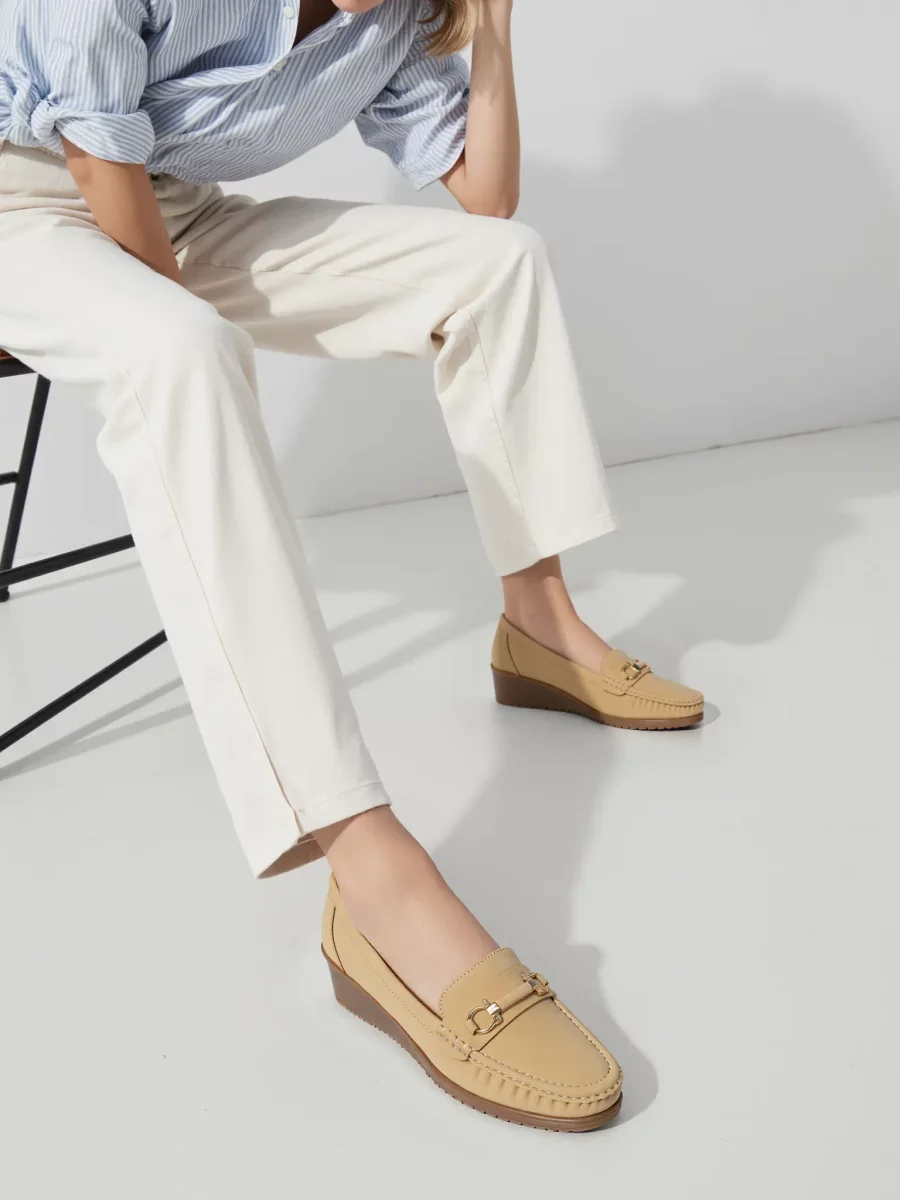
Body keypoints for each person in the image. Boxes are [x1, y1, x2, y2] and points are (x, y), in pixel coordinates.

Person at [0, 0, 703, 1131]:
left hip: (165, 204)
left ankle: (540, 626)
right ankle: (371, 872)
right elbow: (93, 150)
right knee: (182, 353)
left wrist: (493, 32)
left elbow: (487, 197)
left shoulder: (401, 18)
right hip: (21, 200)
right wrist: (184, 325)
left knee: (498, 265)